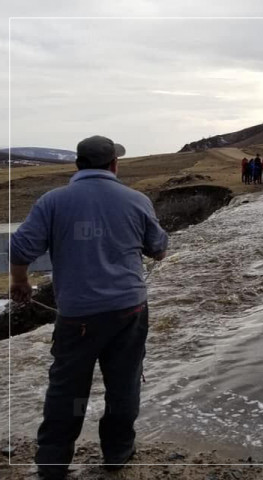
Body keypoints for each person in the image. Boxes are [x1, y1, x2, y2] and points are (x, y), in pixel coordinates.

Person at [10, 135, 169, 480]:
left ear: (78, 165)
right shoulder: (136, 200)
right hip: (129, 311)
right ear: (114, 165)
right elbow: (158, 248)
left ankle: (52, 465)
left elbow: (20, 248)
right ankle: (117, 453)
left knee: (68, 390)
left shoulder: (53, 201)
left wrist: (20, 282)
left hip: (77, 316)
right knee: (123, 384)